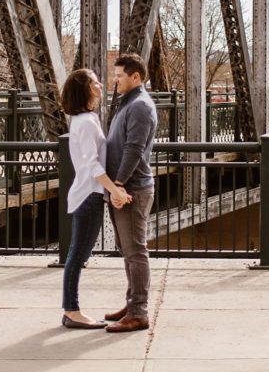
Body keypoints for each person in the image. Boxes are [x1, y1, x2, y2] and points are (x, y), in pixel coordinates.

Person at [59, 68, 132, 329]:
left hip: (87, 193)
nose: (101, 85)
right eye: (94, 82)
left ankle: (71, 309)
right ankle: (72, 311)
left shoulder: (84, 119)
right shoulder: (86, 122)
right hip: (89, 194)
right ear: (85, 89)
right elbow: (93, 166)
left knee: (77, 255)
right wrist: (115, 191)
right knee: (78, 256)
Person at [103, 52, 158, 333]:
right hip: (125, 187)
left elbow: (134, 149)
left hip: (133, 188)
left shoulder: (139, 106)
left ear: (136, 77)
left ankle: (139, 312)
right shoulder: (129, 103)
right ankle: (132, 302)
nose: (115, 80)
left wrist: (120, 184)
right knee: (127, 251)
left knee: (136, 251)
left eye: (120, 75)